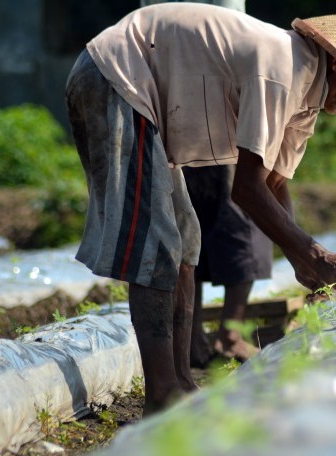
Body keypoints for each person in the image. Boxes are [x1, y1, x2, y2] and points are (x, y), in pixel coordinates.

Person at [65, 3, 336, 414]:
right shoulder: (283, 69)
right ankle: (161, 395)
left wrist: (302, 260)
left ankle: (182, 384)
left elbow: (272, 182)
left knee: (185, 242)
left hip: (144, 96)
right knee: (154, 242)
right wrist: (311, 254)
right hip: (118, 77)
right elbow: (245, 189)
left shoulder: (306, 100)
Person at [142, 0, 260, 368]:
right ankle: (198, 337)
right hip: (182, 100)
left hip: (218, 97)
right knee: (189, 228)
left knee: (225, 225)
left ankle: (226, 333)